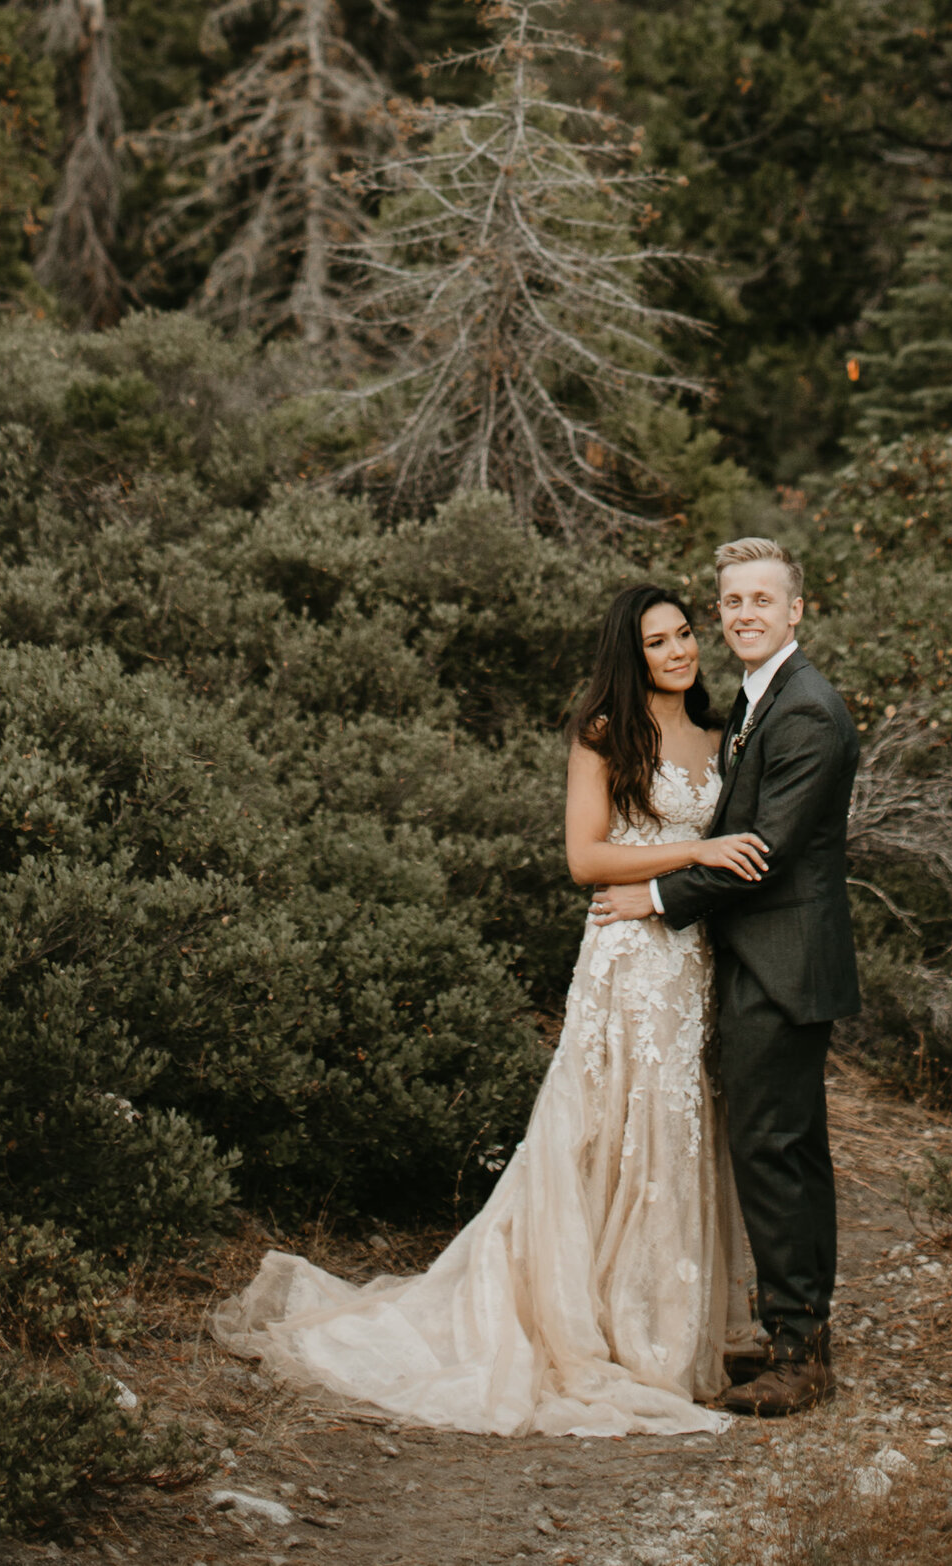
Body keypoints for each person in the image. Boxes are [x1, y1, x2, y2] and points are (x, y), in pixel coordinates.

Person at [213, 580, 765, 1433]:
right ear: (632, 654)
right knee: (610, 1126)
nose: (681, 651)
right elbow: (585, 858)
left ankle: (669, 1324)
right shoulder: (605, 735)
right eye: (659, 642)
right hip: (626, 955)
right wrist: (695, 851)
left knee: (679, 1127)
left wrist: (684, 883)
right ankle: (594, 1327)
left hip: (689, 955)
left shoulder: (719, 732)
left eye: (686, 634)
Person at [588, 535, 859, 1418]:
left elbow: (766, 855)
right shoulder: (754, 700)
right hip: (754, 961)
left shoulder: (807, 710)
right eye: (732, 600)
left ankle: (798, 1350)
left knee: (773, 1151)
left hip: (781, 965)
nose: (743, 613)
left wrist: (657, 894)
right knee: (781, 1149)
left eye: (760, 600)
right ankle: (796, 1333)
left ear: (795, 611)